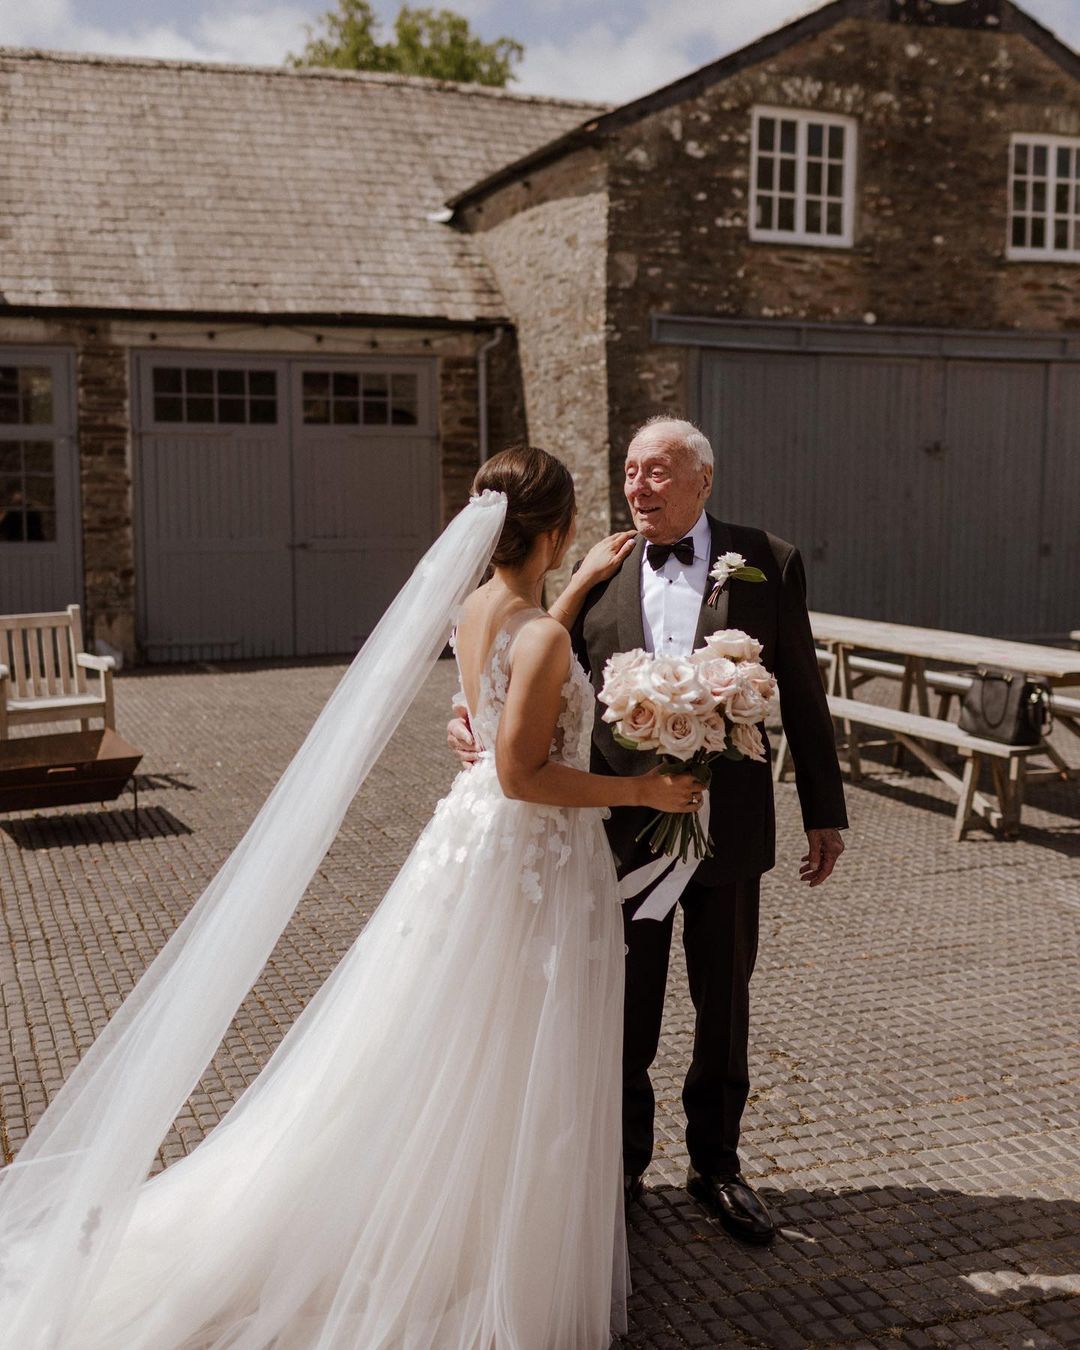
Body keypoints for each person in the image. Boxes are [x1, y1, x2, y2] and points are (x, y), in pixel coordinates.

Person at [0, 445, 703, 1349]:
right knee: (520, 1038)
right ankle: (487, 1245)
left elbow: (511, 690)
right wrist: (646, 792)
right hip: (534, 848)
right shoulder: (544, 637)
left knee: (447, 1031)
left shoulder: (478, 609)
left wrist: (566, 605)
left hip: (472, 843)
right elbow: (526, 773)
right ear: (561, 531)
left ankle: (453, 1215)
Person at [451, 418, 848, 1247]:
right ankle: (623, 1166)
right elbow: (527, 652)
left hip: (731, 827)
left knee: (723, 1004)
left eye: (658, 472)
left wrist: (824, 807)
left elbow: (802, 688)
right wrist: (469, 719)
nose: (639, 487)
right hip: (620, 826)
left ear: (703, 478)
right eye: (631, 472)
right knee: (622, 1005)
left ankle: (717, 1164)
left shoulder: (767, 559)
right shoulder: (600, 565)